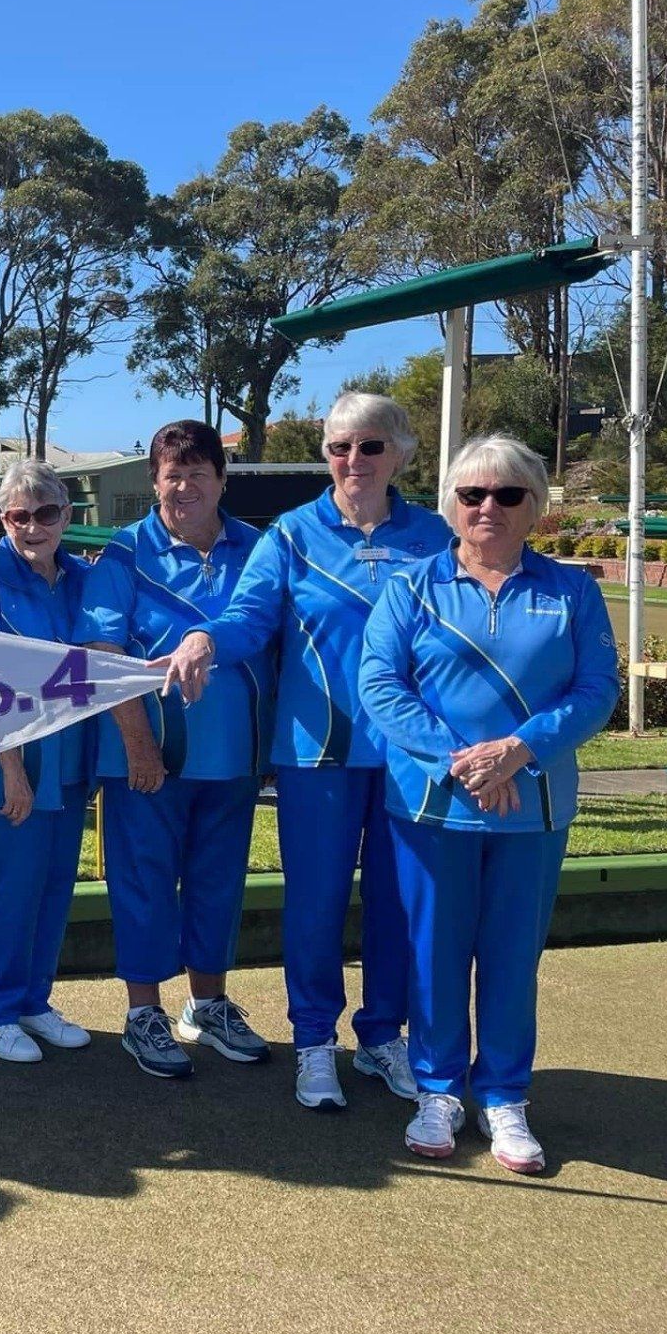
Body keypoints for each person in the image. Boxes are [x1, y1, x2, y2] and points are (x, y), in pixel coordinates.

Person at [154, 392, 451, 1111]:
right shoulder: (289, 534)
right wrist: (205, 639)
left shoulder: (438, 535)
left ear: (402, 454)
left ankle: (383, 1039)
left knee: (400, 907)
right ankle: (315, 1042)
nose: (353, 461)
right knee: (315, 907)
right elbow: (249, 618)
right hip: (318, 755)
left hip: (414, 757)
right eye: (339, 447)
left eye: (370, 446)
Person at [358, 434, 618, 1172]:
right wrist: (461, 760)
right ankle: (438, 1091)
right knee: (434, 955)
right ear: (450, 505)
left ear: (535, 505)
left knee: (510, 957)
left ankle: (503, 1096)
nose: (488, 508)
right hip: (435, 804)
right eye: (472, 495)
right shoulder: (410, 586)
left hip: (531, 804)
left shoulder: (573, 590)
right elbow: (381, 685)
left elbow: (597, 688)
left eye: (508, 495)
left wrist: (519, 749)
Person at [73, 420, 273, 1081]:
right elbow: (104, 657)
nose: (183, 486)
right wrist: (139, 746)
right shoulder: (125, 553)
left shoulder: (259, 549)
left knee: (218, 885)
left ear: (221, 478)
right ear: (154, 480)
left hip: (234, 759)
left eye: (197, 473)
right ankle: (143, 1014)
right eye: (171, 474)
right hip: (146, 763)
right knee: (143, 885)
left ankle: (208, 1005)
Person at [0, 460, 96, 1064]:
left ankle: (35, 1000)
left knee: (55, 888)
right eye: (18, 515)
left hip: (70, 763)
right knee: (15, 890)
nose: (32, 526)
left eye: (45, 513)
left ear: (66, 516)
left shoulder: (83, 580)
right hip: (12, 766)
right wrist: (11, 768)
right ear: (2, 519)